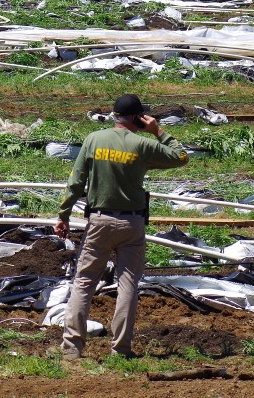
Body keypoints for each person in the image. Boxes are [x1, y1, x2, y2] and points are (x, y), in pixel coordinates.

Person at [54, 93, 189, 360]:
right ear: (139, 117)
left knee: (83, 282)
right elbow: (181, 157)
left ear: (114, 115)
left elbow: (76, 181)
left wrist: (64, 215)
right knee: (128, 285)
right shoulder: (142, 144)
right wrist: (158, 131)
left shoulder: (94, 139)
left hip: (99, 222)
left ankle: (72, 347)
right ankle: (121, 350)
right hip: (132, 223)